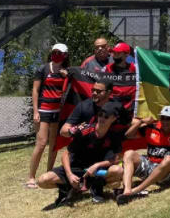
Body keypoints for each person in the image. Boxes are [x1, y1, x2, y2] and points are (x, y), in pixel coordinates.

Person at [37, 101, 124, 209]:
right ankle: (69, 187)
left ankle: (96, 187)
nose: (102, 118)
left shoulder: (114, 135)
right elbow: (65, 154)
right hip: (76, 168)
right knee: (42, 181)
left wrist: (96, 165)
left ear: (114, 118)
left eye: (106, 116)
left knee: (118, 171)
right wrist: (69, 175)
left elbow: (117, 158)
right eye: (100, 114)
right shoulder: (85, 131)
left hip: (96, 172)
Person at [117, 106, 170, 204]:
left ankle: (136, 190)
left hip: (169, 173)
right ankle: (127, 191)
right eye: (163, 118)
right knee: (129, 153)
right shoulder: (151, 127)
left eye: (169, 118)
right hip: (151, 167)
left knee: (168, 159)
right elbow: (128, 135)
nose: (165, 121)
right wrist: (140, 122)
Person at [27, 43, 71, 189]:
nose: (57, 54)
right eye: (55, 52)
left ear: (65, 55)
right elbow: (35, 90)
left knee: (54, 145)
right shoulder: (43, 69)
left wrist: (68, 76)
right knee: (40, 144)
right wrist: (35, 111)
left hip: (58, 112)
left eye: (60, 52)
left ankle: (48, 174)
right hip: (44, 110)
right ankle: (31, 177)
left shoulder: (67, 71)